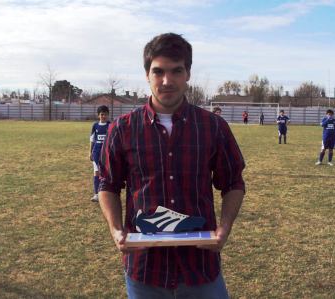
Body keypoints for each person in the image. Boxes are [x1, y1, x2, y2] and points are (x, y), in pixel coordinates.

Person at [98, 33, 245, 299]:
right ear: (147, 75)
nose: (167, 81)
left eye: (176, 71)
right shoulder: (122, 129)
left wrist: (225, 227)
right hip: (145, 270)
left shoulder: (213, 127)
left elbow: (233, 182)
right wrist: (116, 228)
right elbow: (107, 184)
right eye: (158, 72)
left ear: (188, 73)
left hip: (200, 267)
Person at [89, 105, 110, 202]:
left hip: (107, 151)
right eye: (102, 114)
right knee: (97, 172)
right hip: (96, 151)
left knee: (106, 172)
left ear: (108, 115)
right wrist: (90, 152)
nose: (103, 116)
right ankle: (96, 194)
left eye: (105, 114)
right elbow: (92, 140)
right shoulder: (95, 126)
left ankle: (107, 193)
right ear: (98, 115)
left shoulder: (110, 125)